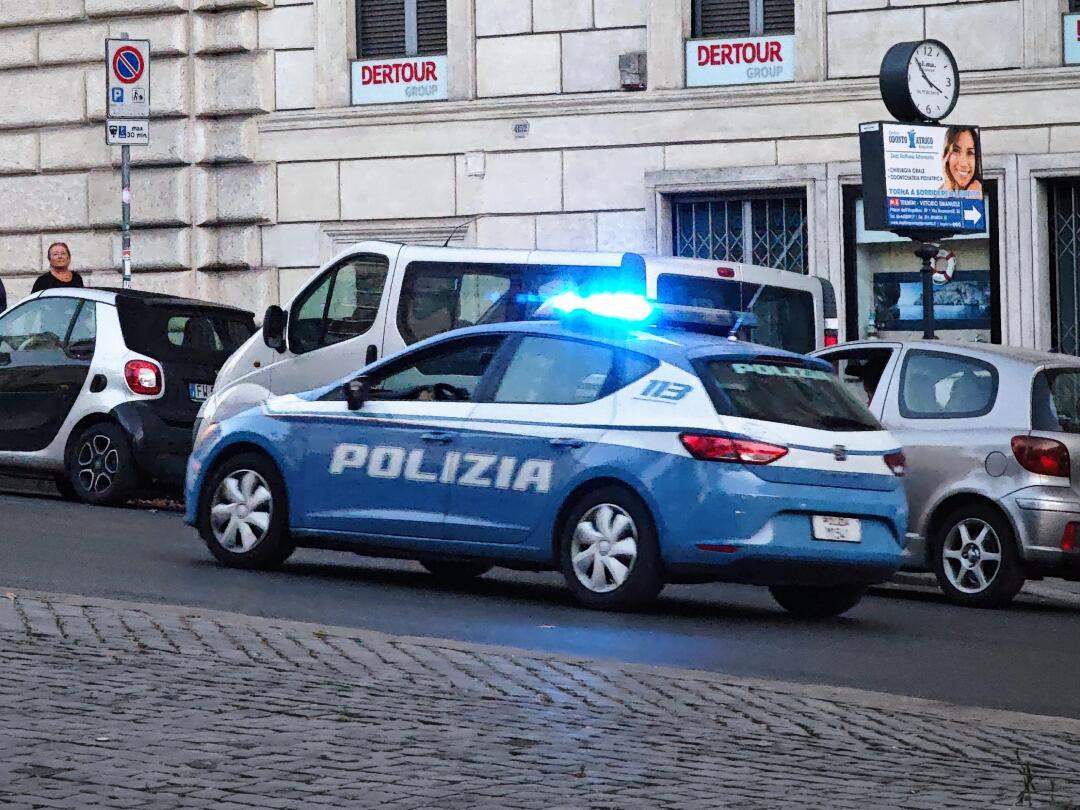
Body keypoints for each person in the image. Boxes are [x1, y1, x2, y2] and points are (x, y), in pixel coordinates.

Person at [939, 127, 983, 194]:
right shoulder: (940, 192)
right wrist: (948, 187)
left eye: (970, 153)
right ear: (946, 157)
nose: (963, 163)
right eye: (956, 150)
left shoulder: (977, 189)